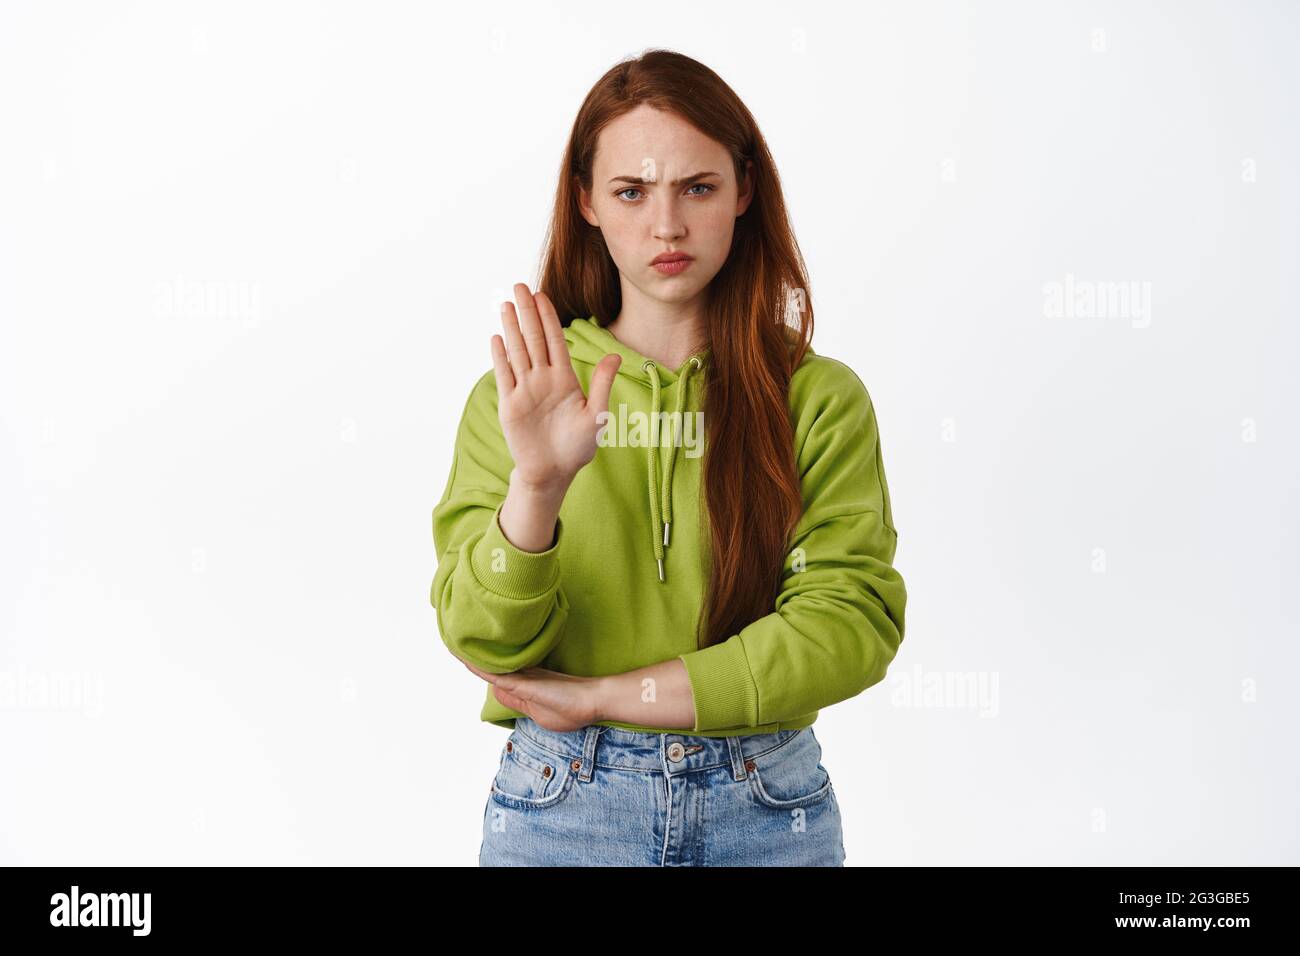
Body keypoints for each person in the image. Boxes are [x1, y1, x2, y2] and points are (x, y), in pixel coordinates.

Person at [431, 49, 907, 866]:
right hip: (562, 807)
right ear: (585, 201)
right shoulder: (516, 400)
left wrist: (614, 696)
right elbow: (484, 642)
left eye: (697, 187)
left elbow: (848, 625)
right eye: (631, 191)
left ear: (743, 192)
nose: (667, 226)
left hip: (766, 804)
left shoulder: (817, 398)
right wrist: (537, 491)